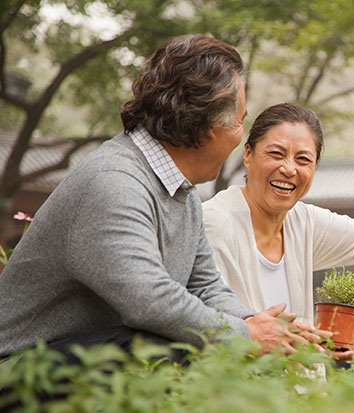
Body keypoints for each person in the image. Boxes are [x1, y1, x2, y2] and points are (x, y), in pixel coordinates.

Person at [0, 35, 324, 360]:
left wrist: (255, 323)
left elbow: (205, 286)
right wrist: (243, 335)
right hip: (20, 372)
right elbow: (148, 301)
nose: (240, 136)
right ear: (210, 127)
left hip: (83, 361)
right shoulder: (115, 182)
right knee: (172, 345)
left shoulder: (182, 192)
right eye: (240, 122)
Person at [202, 103, 354, 333]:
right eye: (276, 154)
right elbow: (207, 327)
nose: (289, 169)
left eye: (303, 159)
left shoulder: (304, 222)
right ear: (248, 155)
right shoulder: (215, 224)